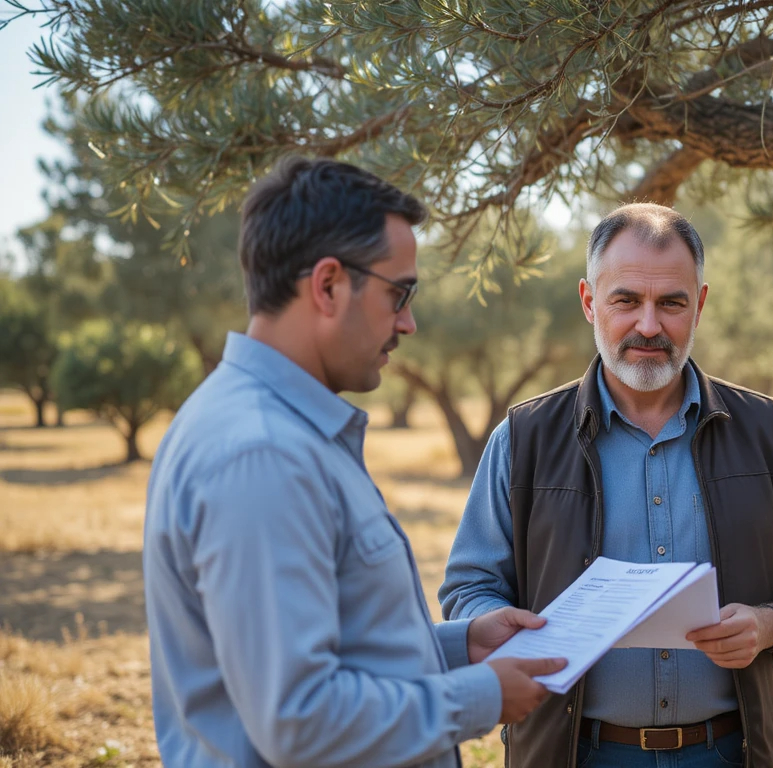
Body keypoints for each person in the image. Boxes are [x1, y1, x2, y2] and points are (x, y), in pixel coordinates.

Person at [142, 157, 565, 768]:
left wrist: (460, 646)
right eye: (399, 293)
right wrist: (480, 696)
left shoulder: (279, 430)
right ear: (329, 285)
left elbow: (335, 652)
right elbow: (301, 719)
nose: (408, 322)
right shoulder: (264, 456)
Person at [439, 202, 773, 767]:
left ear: (700, 305)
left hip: (734, 752)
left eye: (672, 303)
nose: (649, 326)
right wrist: (517, 635)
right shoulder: (522, 438)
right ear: (589, 302)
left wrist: (768, 626)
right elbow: (470, 588)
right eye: (626, 300)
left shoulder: (768, 432)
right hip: (570, 754)